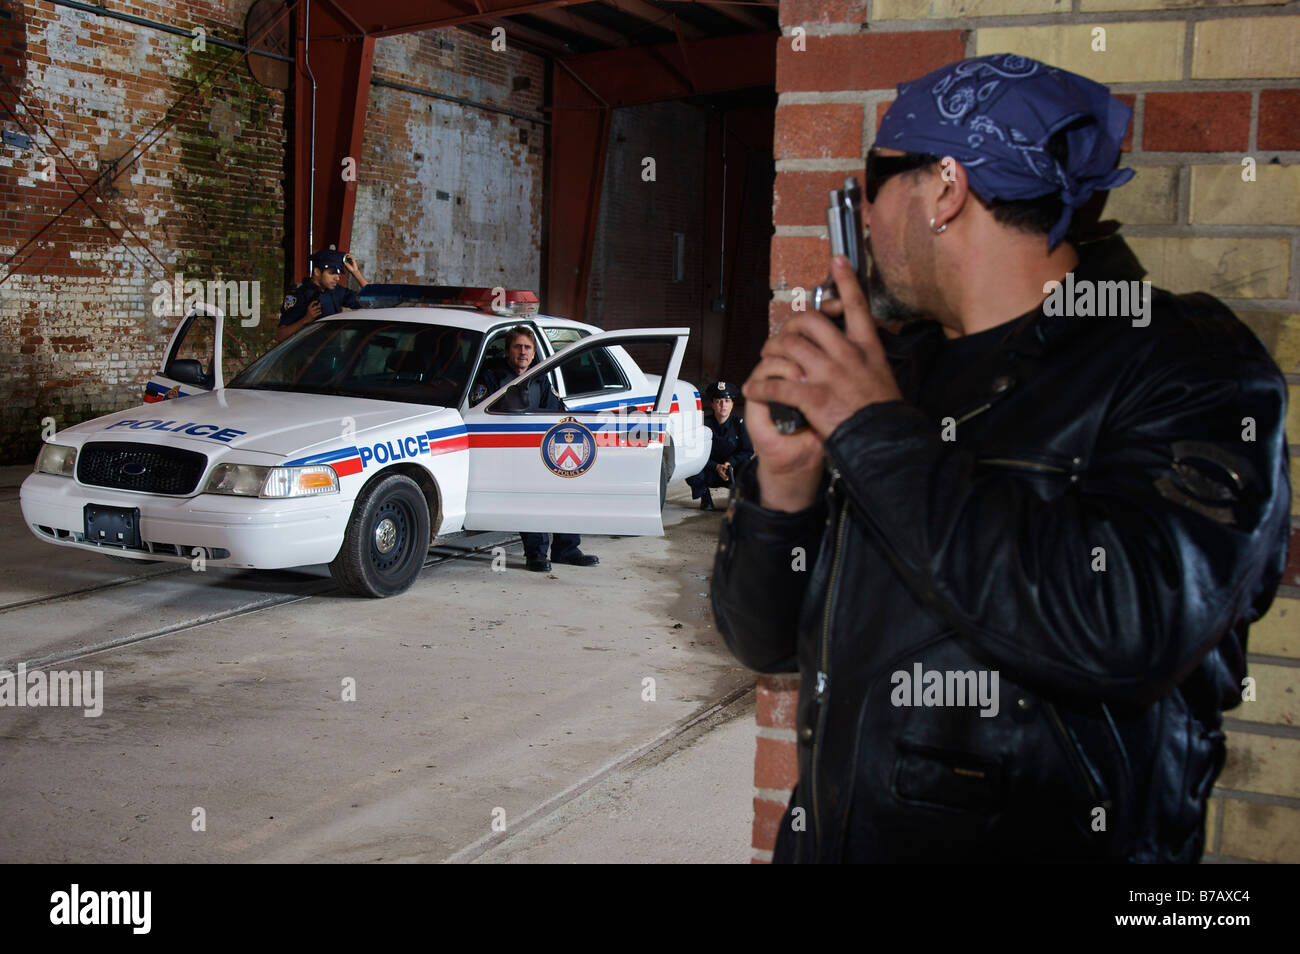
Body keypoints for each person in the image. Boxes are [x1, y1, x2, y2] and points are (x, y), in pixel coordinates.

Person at [710, 54, 1290, 863]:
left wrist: (874, 432)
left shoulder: (1184, 366)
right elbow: (764, 641)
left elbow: (1127, 627)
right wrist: (786, 484)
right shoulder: (899, 369)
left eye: (871, 186)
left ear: (944, 188)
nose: (866, 221)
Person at [470, 325, 599, 573]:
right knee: (532, 497)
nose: (523, 352)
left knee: (567, 487)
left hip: (540, 448)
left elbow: (557, 413)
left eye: (527, 347)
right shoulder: (492, 377)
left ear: (533, 352)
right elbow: (480, 411)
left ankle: (567, 549)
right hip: (505, 451)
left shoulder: (540, 375)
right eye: (517, 347)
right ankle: (536, 555)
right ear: (508, 351)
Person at [276, 248, 370, 342]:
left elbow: (373, 301)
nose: (337, 278)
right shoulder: (299, 295)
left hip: (333, 352)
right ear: (317, 272)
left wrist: (355, 272)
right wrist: (305, 320)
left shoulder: (337, 292)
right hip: (308, 355)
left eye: (338, 274)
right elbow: (280, 335)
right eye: (331, 273)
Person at [686, 381, 753, 511]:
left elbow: (747, 451)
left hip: (733, 470)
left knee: (751, 467)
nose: (723, 405)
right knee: (690, 468)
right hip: (710, 470)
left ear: (733, 404)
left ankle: (739, 498)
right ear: (712, 404)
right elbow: (695, 453)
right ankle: (705, 497)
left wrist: (730, 463)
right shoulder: (703, 425)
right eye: (719, 401)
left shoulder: (739, 424)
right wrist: (716, 466)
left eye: (727, 401)